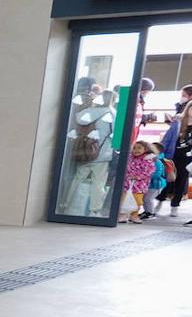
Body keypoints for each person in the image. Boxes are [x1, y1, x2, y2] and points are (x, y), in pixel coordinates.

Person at [57, 77, 116, 218]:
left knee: (77, 178)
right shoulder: (112, 114)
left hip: (84, 150)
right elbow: (114, 136)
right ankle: (94, 210)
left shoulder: (88, 112)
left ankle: (65, 204)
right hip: (102, 154)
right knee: (98, 182)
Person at [156, 84, 192, 216]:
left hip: (187, 156)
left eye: (184, 95)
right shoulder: (179, 120)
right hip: (173, 152)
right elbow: (169, 137)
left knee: (182, 178)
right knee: (168, 176)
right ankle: (160, 200)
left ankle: (175, 204)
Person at [122, 141, 154, 224]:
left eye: (139, 148)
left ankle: (134, 215)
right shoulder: (130, 158)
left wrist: (136, 176)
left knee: (137, 201)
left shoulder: (147, 160)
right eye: (134, 148)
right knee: (124, 199)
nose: (136, 150)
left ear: (146, 149)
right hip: (127, 184)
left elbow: (148, 172)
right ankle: (123, 215)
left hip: (139, 186)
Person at [143, 141, 169, 220]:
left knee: (148, 198)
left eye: (152, 148)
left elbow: (157, 174)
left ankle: (151, 213)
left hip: (157, 184)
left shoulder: (157, 161)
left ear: (158, 151)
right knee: (145, 198)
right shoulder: (148, 159)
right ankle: (147, 211)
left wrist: (145, 176)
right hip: (150, 184)